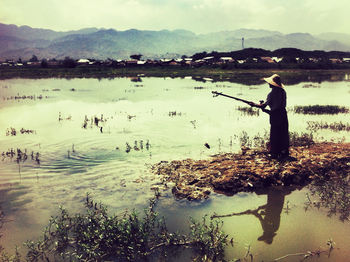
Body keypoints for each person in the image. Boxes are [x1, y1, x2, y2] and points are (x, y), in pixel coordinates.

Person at [250, 74, 289, 160]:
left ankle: (275, 153)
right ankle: (283, 151)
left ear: (273, 84)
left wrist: (254, 105)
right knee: (283, 132)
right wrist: (264, 109)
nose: (268, 84)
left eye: (270, 83)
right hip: (283, 114)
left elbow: (263, 106)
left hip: (275, 115)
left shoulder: (271, 94)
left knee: (275, 133)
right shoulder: (283, 91)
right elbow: (277, 107)